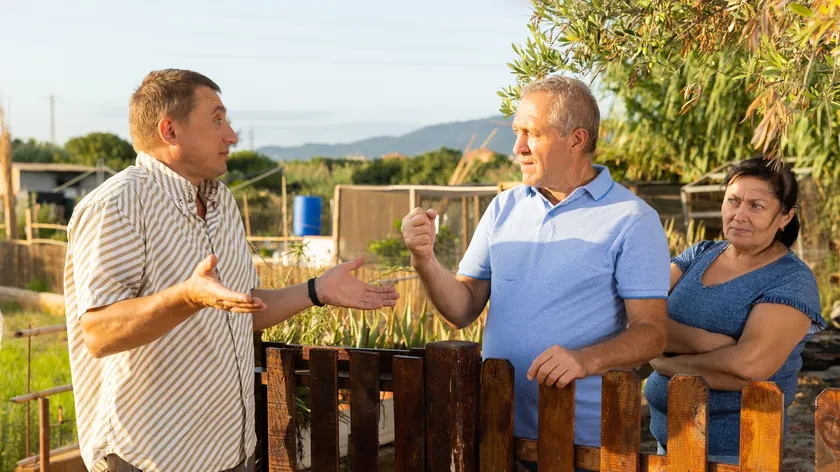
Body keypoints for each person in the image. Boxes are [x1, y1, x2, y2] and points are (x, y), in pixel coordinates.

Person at [64, 69, 399, 472]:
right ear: (170, 131)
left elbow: (246, 311)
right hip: (152, 458)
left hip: (230, 453)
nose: (232, 136)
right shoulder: (118, 204)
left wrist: (317, 289)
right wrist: (186, 297)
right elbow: (98, 333)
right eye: (217, 120)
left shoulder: (221, 202)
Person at [401, 76, 671, 470]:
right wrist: (425, 260)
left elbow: (652, 333)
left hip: (585, 443)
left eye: (532, 133)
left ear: (576, 139)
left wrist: (585, 359)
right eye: (517, 132)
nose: (518, 148)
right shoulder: (502, 208)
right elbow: (462, 308)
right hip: (497, 426)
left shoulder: (633, 220)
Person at [644, 156, 825, 464]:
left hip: (737, 454)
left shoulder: (791, 280)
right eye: (733, 201)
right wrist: (707, 343)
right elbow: (640, 312)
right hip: (668, 445)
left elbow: (750, 366)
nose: (739, 214)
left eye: (756, 206)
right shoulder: (699, 254)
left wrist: (664, 363)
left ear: (785, 217)